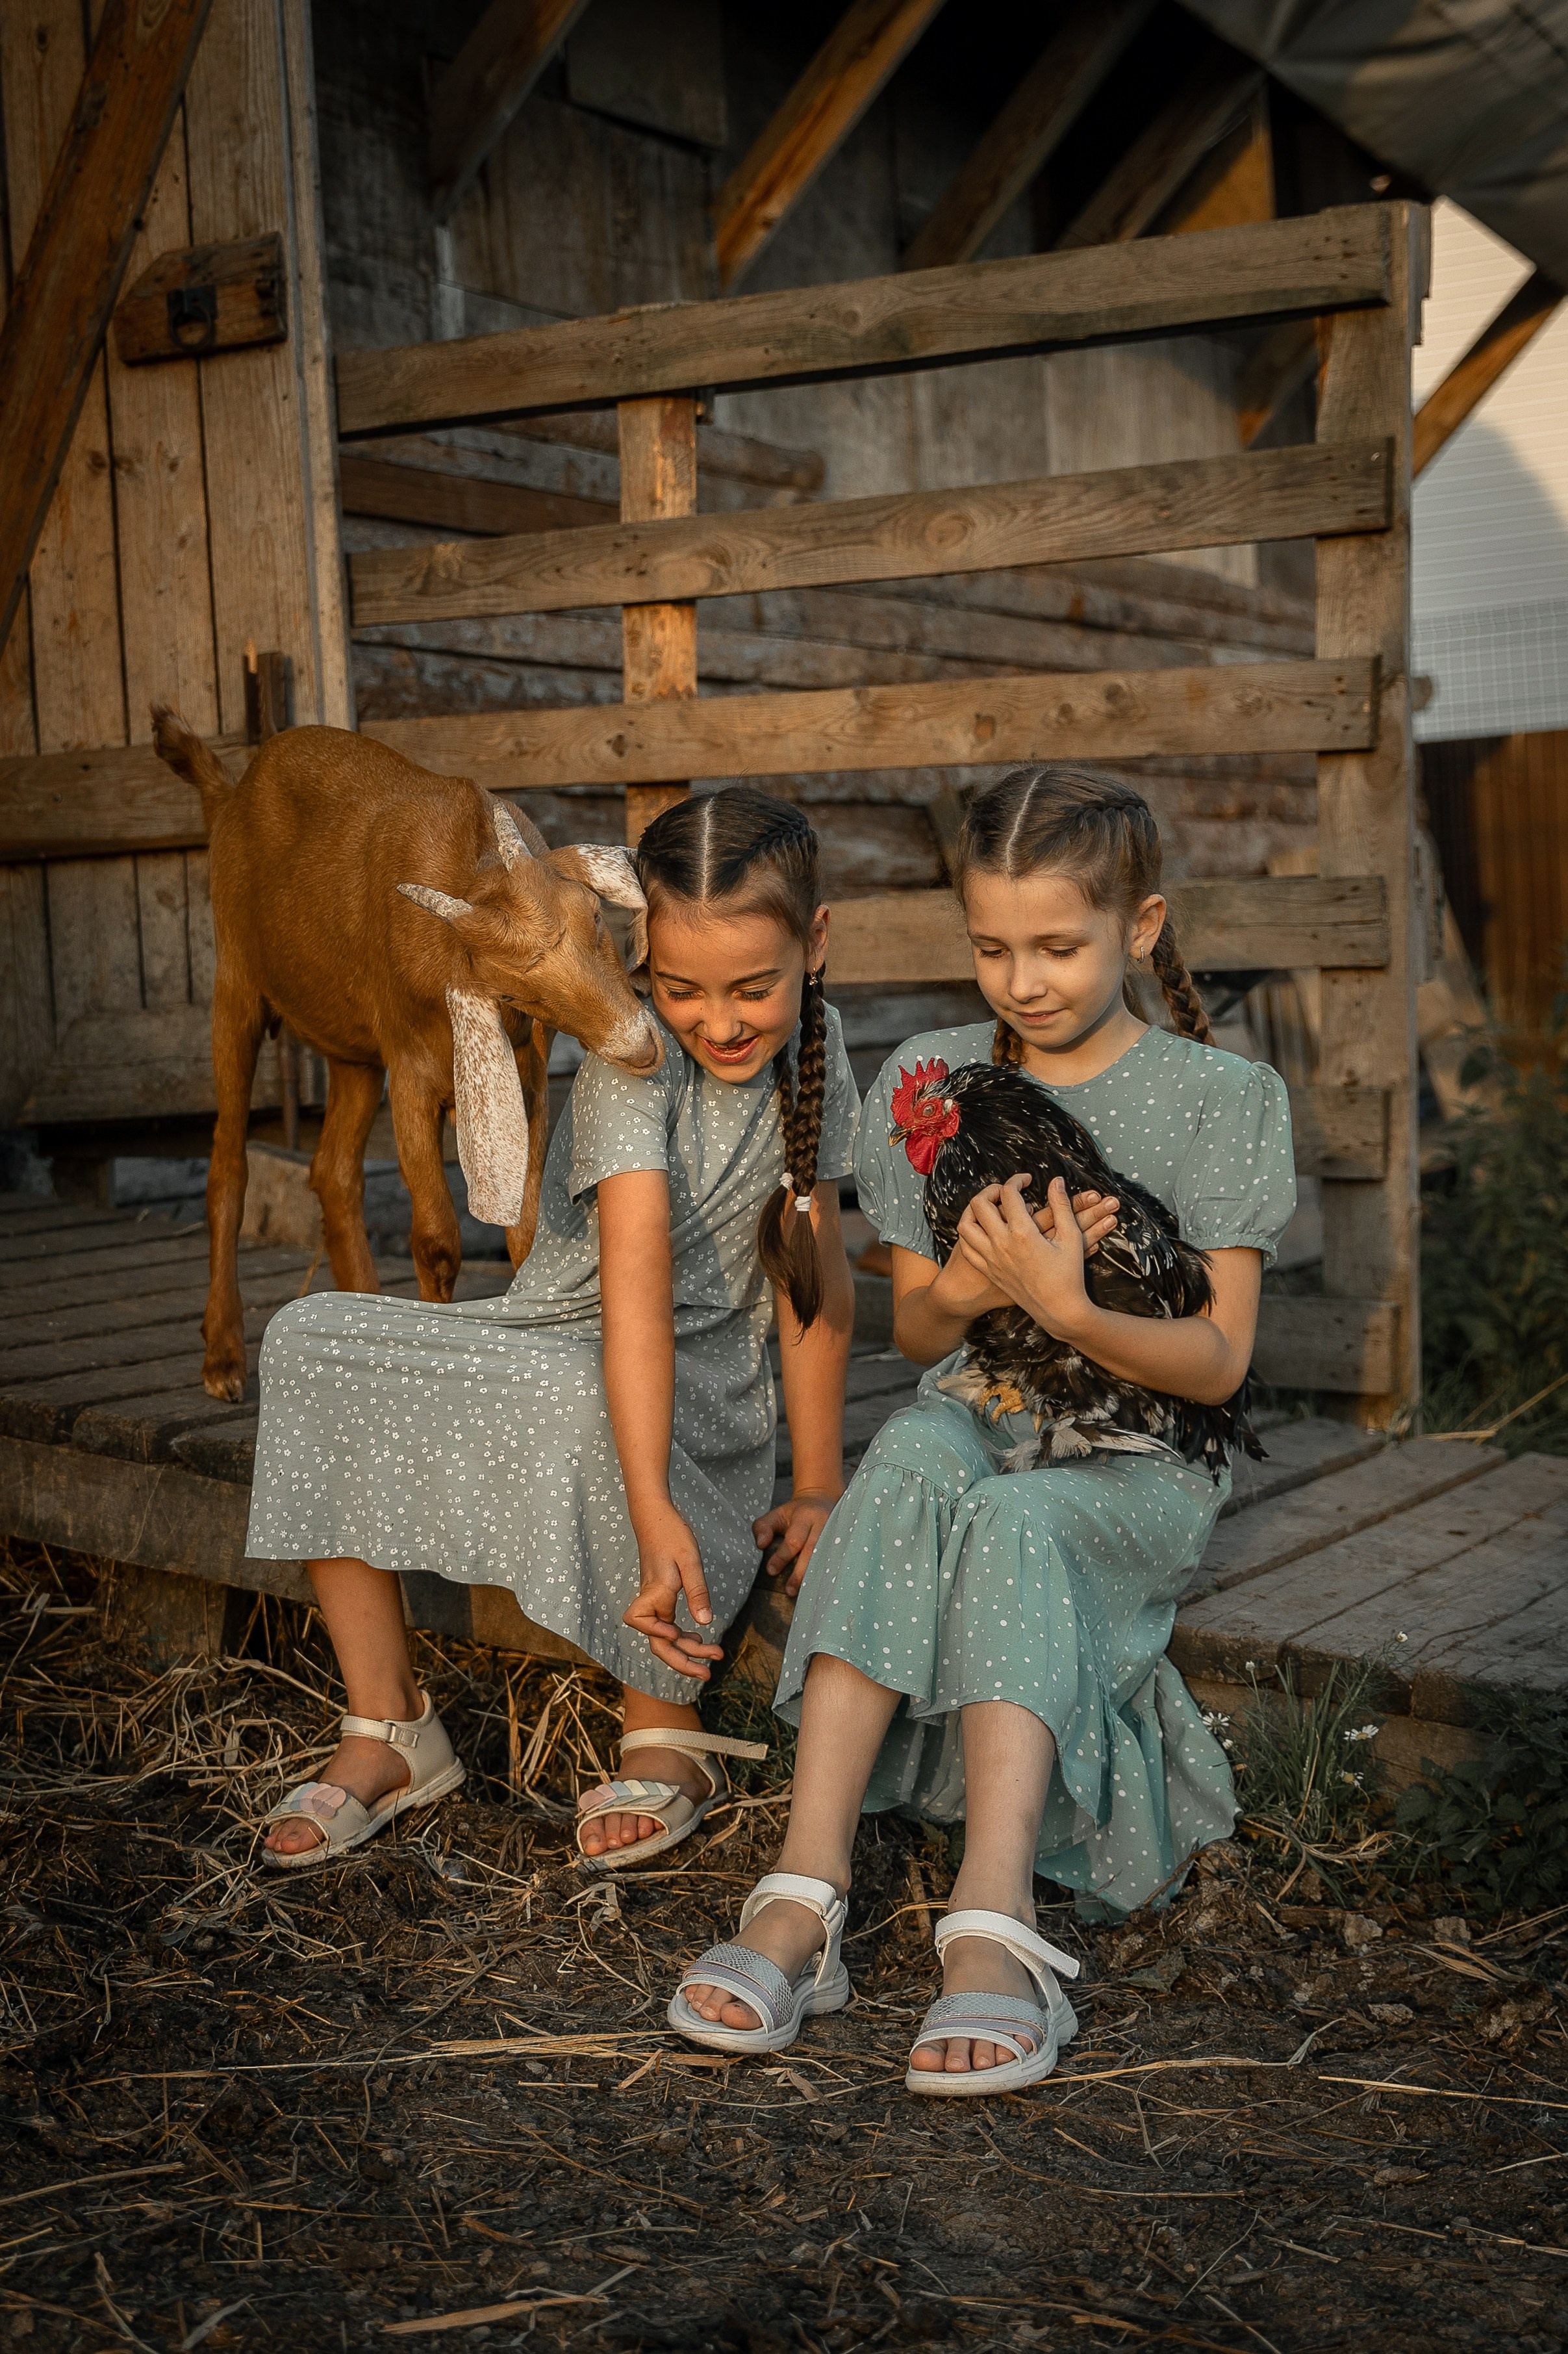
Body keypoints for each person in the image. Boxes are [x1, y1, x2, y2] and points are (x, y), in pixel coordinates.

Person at [666, 765, 1296, 2095]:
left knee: (1010, 1516)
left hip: (1141, 1446)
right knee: (901, 1457)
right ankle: (805, 1888)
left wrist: (1067, 1302)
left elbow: (1219, 1356)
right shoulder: (934, 1073)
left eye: (1058, 947)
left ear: (1139, 927)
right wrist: (963, 1287)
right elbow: (920, 1340)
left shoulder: (1221, 1098)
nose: (1022, 980)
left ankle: (991, 1926)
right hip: (981, 1398)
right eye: (992, 947)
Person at [247, 789, 859, 1870]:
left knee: (581, 1395)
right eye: (680, 989)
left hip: (688, 1384)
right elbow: (623, 1295)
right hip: (567, 1333)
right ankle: (389, 1727)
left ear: (814, 945)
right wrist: (647, 1503)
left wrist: (813, 1481)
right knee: (307, 1337)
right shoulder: (634, 1062)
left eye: (752, 989)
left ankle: (664, 1724)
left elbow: (813, 1289)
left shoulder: (819, 1050)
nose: (717, 1022)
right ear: (639, 964)